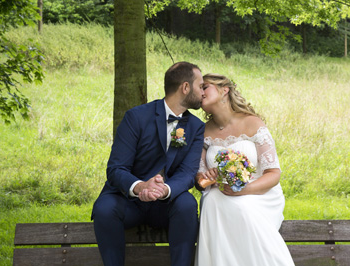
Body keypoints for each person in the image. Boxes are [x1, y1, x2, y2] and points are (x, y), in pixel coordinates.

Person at [92, 61, 205, 266]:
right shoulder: (136, 117)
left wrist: (165, 191)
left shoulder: (197, 127)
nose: (203, 92)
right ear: (185, 88)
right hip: (129, 202)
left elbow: (188, 173)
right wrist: (141, 186)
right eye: (200, 86)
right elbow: (116, 168)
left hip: (165, 204)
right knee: (104, 208)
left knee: (187, 204)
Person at [194, 74, 295, 266]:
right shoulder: (202, 132)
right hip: (220, 193)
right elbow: (201, 179)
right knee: (212, 200)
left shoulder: (253, 123)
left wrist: (244, 189)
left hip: (259, 193)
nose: (200, 92)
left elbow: (273, 174)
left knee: (239, 206)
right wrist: (207, 177)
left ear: (225, 90)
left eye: (205, 87)